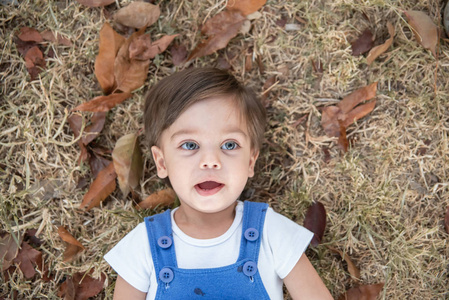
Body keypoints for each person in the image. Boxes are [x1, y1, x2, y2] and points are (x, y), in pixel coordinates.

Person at [104, 68, 333, 299]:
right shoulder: (143, 245)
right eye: (190, 145)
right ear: (161, 162)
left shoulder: (271, 233)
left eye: (229, 145)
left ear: (250, 161)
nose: (211, 161)